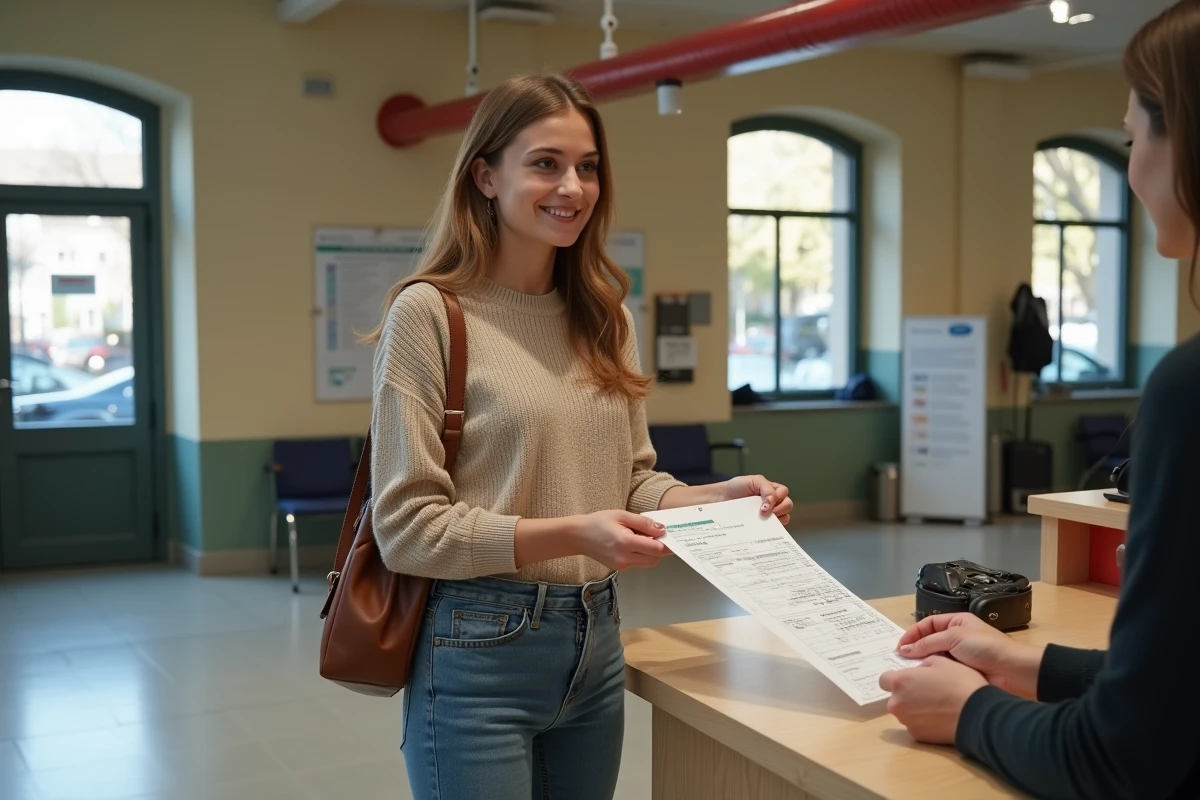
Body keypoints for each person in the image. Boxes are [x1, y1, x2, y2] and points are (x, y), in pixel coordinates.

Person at [365, 72, 793, 800]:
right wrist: (574, 534)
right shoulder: (430, 316)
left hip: (595, 643)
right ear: (485, 176)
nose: (573, 186)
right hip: (476, 649)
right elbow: (406, 529)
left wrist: (717, 499)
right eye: (545, 163)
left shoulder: (605, 316)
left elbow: (631, 484)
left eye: (587, 166)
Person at [878, 2, 1200, 798]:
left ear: (1183, 140)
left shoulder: (1190, 390)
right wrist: (1030, 663)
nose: (1129, 169)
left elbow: (1124, 758)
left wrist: (969, 709)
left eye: (1132, 140)